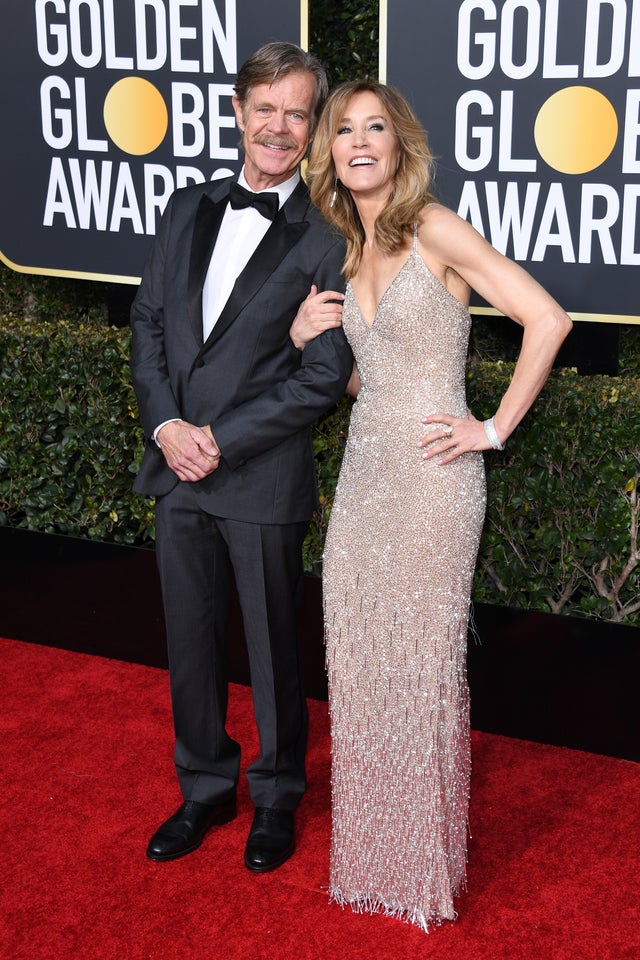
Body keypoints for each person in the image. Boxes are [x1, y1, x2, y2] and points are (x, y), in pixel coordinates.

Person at [301, 80, 572, 930]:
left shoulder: (434, 228)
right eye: (344, 130)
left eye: (375, 126)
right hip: (363, 482)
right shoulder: (348, 246)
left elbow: (547, 318)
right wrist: (307, 338)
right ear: (330, 156)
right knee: (361, 666)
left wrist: (491, 429)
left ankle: (420, 874)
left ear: (400, 144)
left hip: (432, 485)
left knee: (419, 674)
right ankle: (373, 862)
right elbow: (368, 382)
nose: (359, 141)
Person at [129, 42, 353, 874]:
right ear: (237, 112)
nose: (279, 126)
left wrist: (221, 438)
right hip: (176, 462)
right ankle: (204, 788)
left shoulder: (327, 234)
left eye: (297, 112)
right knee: (190, 639)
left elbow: (324, 376)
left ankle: (277, 795)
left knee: (270, 647)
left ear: (312, 127)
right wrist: (167, 427)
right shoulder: (187, 207)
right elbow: (148, 322)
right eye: (265, 107)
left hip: (258, 472)